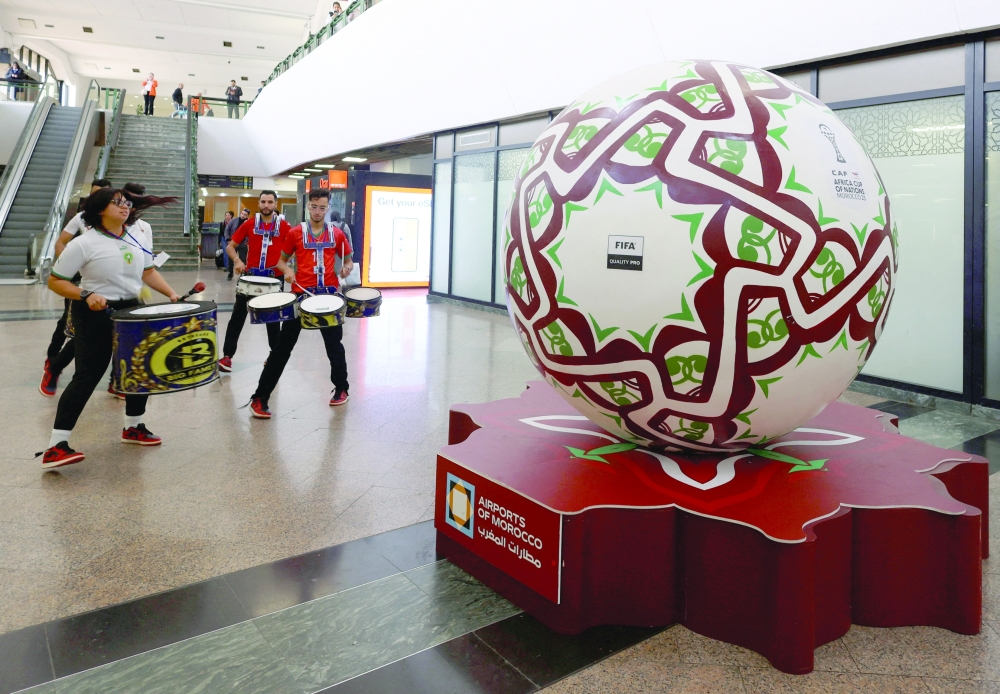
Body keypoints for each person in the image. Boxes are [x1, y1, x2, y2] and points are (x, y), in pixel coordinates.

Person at [37, 188, 181, 469]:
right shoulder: (83, 243)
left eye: (127, 203)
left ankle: (133, 427)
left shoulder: (135, 236)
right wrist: (85, 295)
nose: (125, 207)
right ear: (100, 209)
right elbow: (56, 281)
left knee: (139, 369)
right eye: (117, 203)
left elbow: (148, 271)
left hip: (132, 308)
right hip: (93, 310)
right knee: (88, 374)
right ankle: (56, 446)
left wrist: (171, 294)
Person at [248, 188, 352, 418]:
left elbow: (348, 260)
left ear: (328, 208)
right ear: (308, 206)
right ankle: (260, 397)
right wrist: (286, 271)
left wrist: (346, 268)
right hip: (301, 296)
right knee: (282, 348)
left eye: (322, 208)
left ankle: (342, 388)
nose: (317, 211)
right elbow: (281, 262)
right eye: (314, 207)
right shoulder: (295, 233)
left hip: (328, 297)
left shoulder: (337, 235)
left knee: (334, 345)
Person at [40, 179, 113, 397]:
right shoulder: (82, 217)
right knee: (70, 325)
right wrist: (71, 263)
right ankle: (53, 362)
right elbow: (60, 243)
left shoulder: (122, 222)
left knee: (118, 331)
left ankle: (117, 380)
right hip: (83, 283)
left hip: (115, 287)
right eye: (92, 194)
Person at [218, 192, 291, 373]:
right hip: (250, 276)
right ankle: (227, 356)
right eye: (263, 201)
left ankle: (273, 355)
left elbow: (295, 247)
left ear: (275, 204)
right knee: (237, 317)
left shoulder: (285, 227)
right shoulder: (249, 224)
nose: (266, 205)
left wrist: (287, 265)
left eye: (270, 202)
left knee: (273, 320)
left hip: (274, 278)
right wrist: (237, 261)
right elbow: (230, 246)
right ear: (259, 203)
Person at [226, 208, 249, 280]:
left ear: (247, 216)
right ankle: (230, 273)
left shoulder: (248, 222)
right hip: (233, 242)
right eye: (242, 214)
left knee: (243, 259)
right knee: (231, 259)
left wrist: (247, 241)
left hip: (243, 243)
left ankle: (243, 274)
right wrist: (228, 239)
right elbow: (227, 230)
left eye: (245, 215)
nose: (243, 216)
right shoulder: (234, 220)